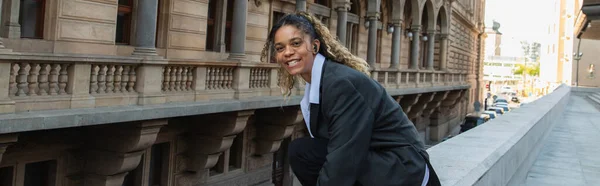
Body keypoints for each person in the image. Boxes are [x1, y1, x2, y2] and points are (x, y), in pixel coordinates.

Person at [261, 12, 441, 186]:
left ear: (315, 46)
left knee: (304, 152)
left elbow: (344, 157)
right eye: (280, 48)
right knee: (303, 151)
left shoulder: (340, 84)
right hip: (385, 164)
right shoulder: (323, 80)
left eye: (296, 43)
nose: (287, 52)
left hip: (405, 171)